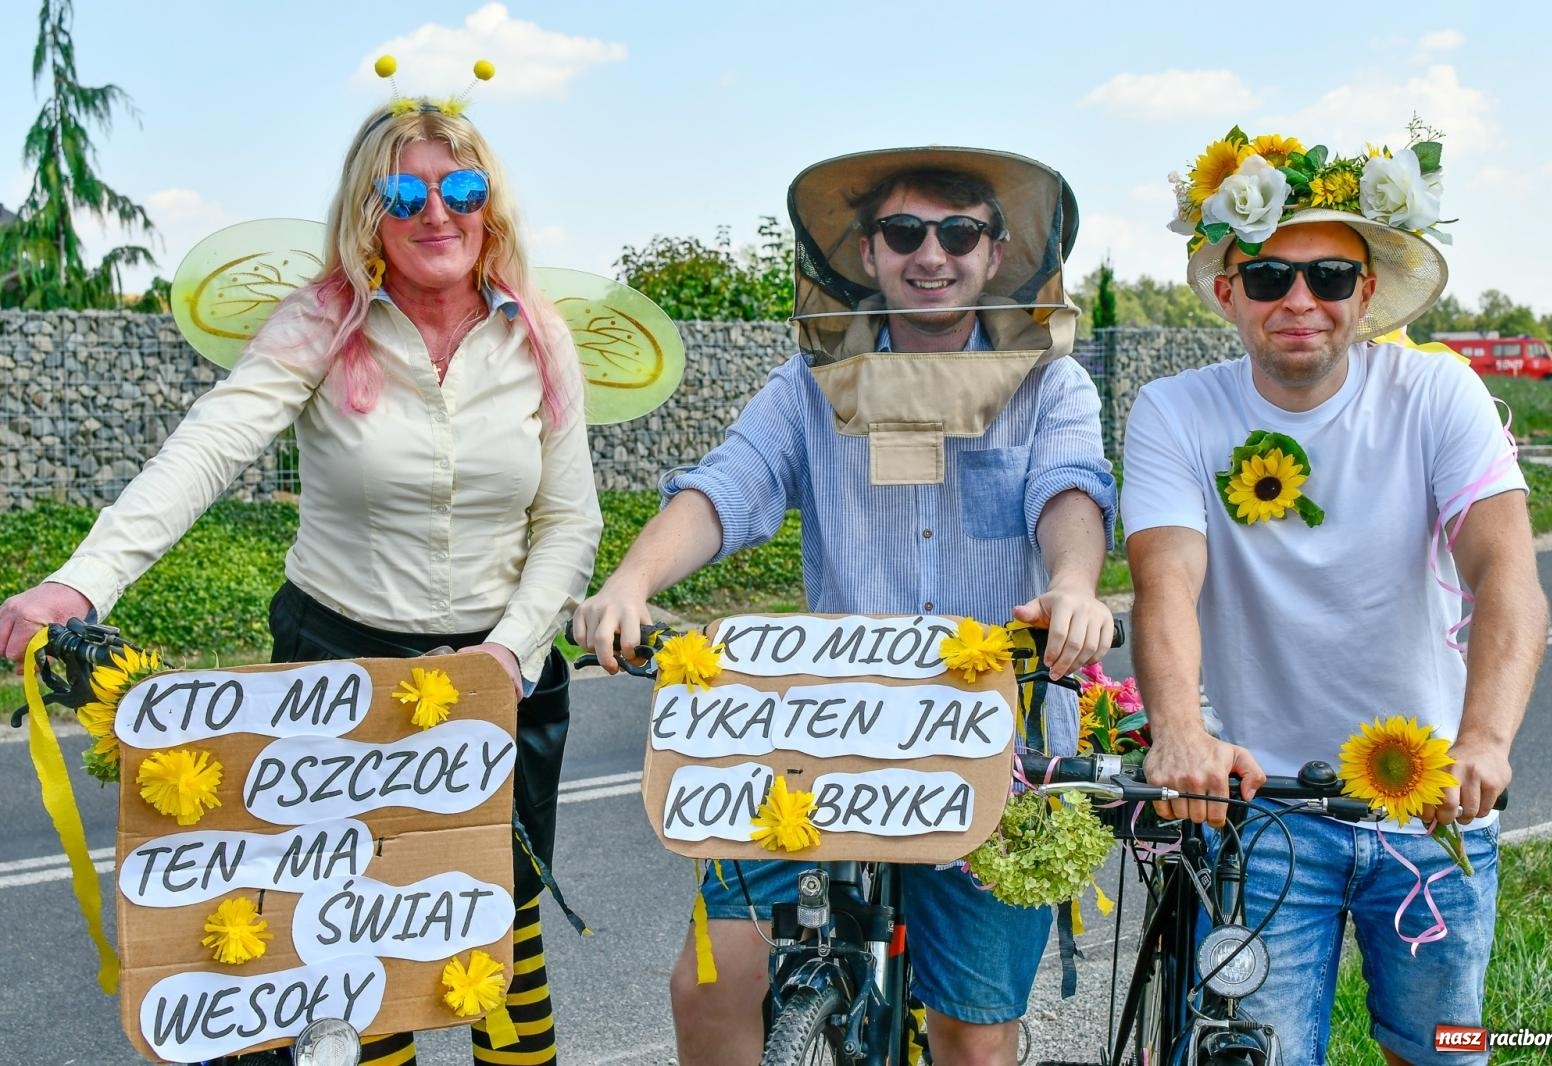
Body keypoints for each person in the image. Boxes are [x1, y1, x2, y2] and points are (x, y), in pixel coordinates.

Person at [0, 90, 602, 1065]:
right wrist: (83, 580)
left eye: (460, 186)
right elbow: (209, 447)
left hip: (496, 673)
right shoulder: (322, 323)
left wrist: (502, 653)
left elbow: (571, 521)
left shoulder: (538, 335)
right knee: (358, 946)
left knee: (498, 926)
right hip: (342, 673)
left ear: (490, 202)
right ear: (367, 212)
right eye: (404, 192)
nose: (436, 212)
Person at [574, 147, 1117, 1066]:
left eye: (958, 233)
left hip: (994, 743)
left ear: (995, 253)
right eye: (904, 232)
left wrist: (1072, 586)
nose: (930, 255)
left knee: (976, 1040)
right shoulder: (807, 383)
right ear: (867, 252)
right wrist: (631, 582)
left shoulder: (1047, 382)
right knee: (707, 990)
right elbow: (727, 486)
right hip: (827, 739)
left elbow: (1070, 490)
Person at [1122, 128, 1548, 1065]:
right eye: (1270, 277)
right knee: (1253, 1053)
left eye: (1329, 277)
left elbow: (1506, 572)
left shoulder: (1439, 392)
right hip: (1264, 809)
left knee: (1443, 1050)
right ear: (1228, 292)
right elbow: (1165, 582)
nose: (1300, 301)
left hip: (1429, 803)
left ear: (1366, 293)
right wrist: (1179, 733)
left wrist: (1484, 741)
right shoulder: (1176, 412)